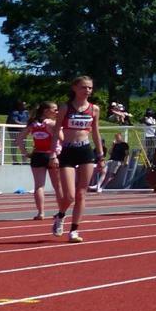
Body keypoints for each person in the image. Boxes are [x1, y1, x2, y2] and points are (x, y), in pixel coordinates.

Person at [51, 76, 105, 241]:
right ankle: (60, 215)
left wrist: (100, 155)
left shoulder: (94, 109)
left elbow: (95, 132)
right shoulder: (65, 108)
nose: (87, 90)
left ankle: (74, 230)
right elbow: (56, 131)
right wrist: (53, 153)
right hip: (67, 150)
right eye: (83, 87)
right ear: (74, 88)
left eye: (90, 87)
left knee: (82, 193)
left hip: (85, 150)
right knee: (70, 195)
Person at [19, 101, 62, 220]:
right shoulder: (52, 123)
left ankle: (41, 213)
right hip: (52, 155)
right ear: (46, 111)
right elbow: (62, 138)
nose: (57, 112)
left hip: (37, 155)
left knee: (39, 186)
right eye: (55, 110)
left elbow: (19, 139)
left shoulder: (32, 124)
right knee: (57, 186)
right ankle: (61, 211)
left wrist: (25, 152)